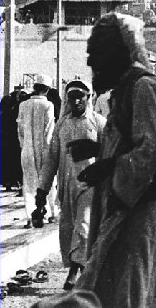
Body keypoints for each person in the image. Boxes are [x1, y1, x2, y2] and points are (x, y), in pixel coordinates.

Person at [74, 13, 156, 308]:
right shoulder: (125, 90)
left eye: (97, 54)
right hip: (126, 207)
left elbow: (154, 151)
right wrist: (97, 150)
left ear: (118, 52)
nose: (93, 63)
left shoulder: (143, 87)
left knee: (133, 298)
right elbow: (133, 142)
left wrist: (106, 166)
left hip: (140, 213)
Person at [35, 80, 106, 290]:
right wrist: (42, 190)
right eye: (72, 97)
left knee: (83, 226)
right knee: (70, 229)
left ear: (88, 98)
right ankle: (86, 273)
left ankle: (74, 273)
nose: (76, 101)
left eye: (80, 97)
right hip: (67, 187)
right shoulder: (62, 125)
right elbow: (52, 158)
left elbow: (111, 152)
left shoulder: (98, 122)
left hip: (91, 186)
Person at [17, 74, 57, 228]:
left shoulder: (23, 105)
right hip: (44, 150)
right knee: (47, 181)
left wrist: (24, 146)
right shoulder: (48, 106)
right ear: (47, 90)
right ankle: (51, 213)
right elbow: (49, 131)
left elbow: (19, 130)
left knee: (28, 183)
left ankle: (29, 216)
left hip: (26, 150)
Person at [0, 85, 27, 191]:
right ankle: (20, 183)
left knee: (7, 161)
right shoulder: (18, 109)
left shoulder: (4, 111)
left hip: (5, 139)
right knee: (17, 162)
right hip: (16, 139)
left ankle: (8, 182)